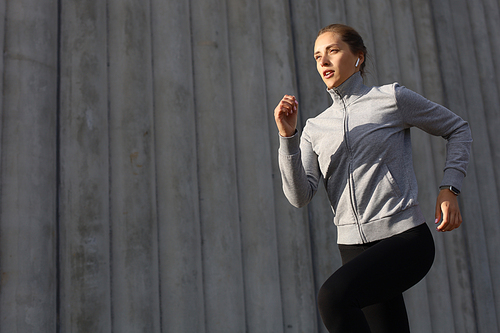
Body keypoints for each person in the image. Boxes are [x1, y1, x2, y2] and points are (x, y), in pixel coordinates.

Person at [274, 24, 472, 333]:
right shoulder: (314, 127)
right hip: (352, 248)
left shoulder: (390, 99)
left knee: (333, 298)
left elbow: (457, 129)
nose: (323, 61)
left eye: (333, 51)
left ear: (358, 57)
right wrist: (288, 139)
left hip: (404, 238)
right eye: (317, 56)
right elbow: (300, 196)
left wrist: (450, 187)